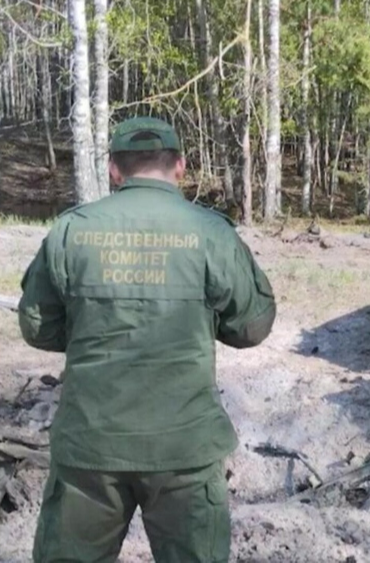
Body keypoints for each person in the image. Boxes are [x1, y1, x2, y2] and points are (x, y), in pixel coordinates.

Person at [17, 116, 277, 562]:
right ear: (180, 166)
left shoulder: (71, 231)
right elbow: (253, 326)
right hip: (184, 450)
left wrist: (90, 331)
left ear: (115, 171)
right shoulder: (210, 233)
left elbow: (37, 325)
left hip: (90, 449)